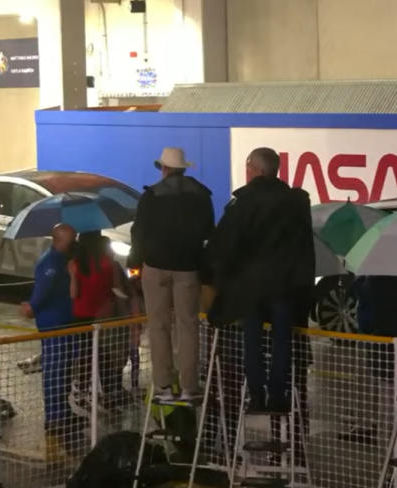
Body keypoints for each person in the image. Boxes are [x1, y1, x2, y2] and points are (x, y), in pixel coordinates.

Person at [208, 147, 315, 413]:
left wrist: (218, 279)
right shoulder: (295, 201)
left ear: (256, 169)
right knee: (282, 341)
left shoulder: (244, 202)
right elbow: (304, 246)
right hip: (285, 285)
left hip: (251, 286)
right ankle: (278, 396)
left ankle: (256, 396)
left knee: (252, 341)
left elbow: (227, 244)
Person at [131, 147, 214, 401]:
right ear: (184, 168)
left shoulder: (151, 195)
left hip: (155, 267)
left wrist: (135, 262)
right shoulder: (201, 195)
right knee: (188, 325)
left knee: (159, 326)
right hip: (188, 268)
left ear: (164, 168)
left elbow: (139, 233)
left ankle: (164, 386)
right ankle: (189, 386)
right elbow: (208, 231)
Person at [21, 224, 79, 456]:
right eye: (69, 239)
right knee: (55, 371)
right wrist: (32, 307)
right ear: (57, 240)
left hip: (63, 322)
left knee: (62, 370)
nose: (73, 242)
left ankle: (62, 411)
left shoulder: (63, 259)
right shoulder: (51, 263)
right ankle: (55, 416)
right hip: (53, 324)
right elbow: (43, 291)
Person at [68, 230, 131, 412]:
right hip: (103, 316)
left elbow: (74, 294)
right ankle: (108, 396)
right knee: (104, 356)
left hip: (81, 315)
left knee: (85, 355)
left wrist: (73, 275)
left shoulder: (75, 264)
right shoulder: (109, 263)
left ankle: (82, 391)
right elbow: (117, 289)